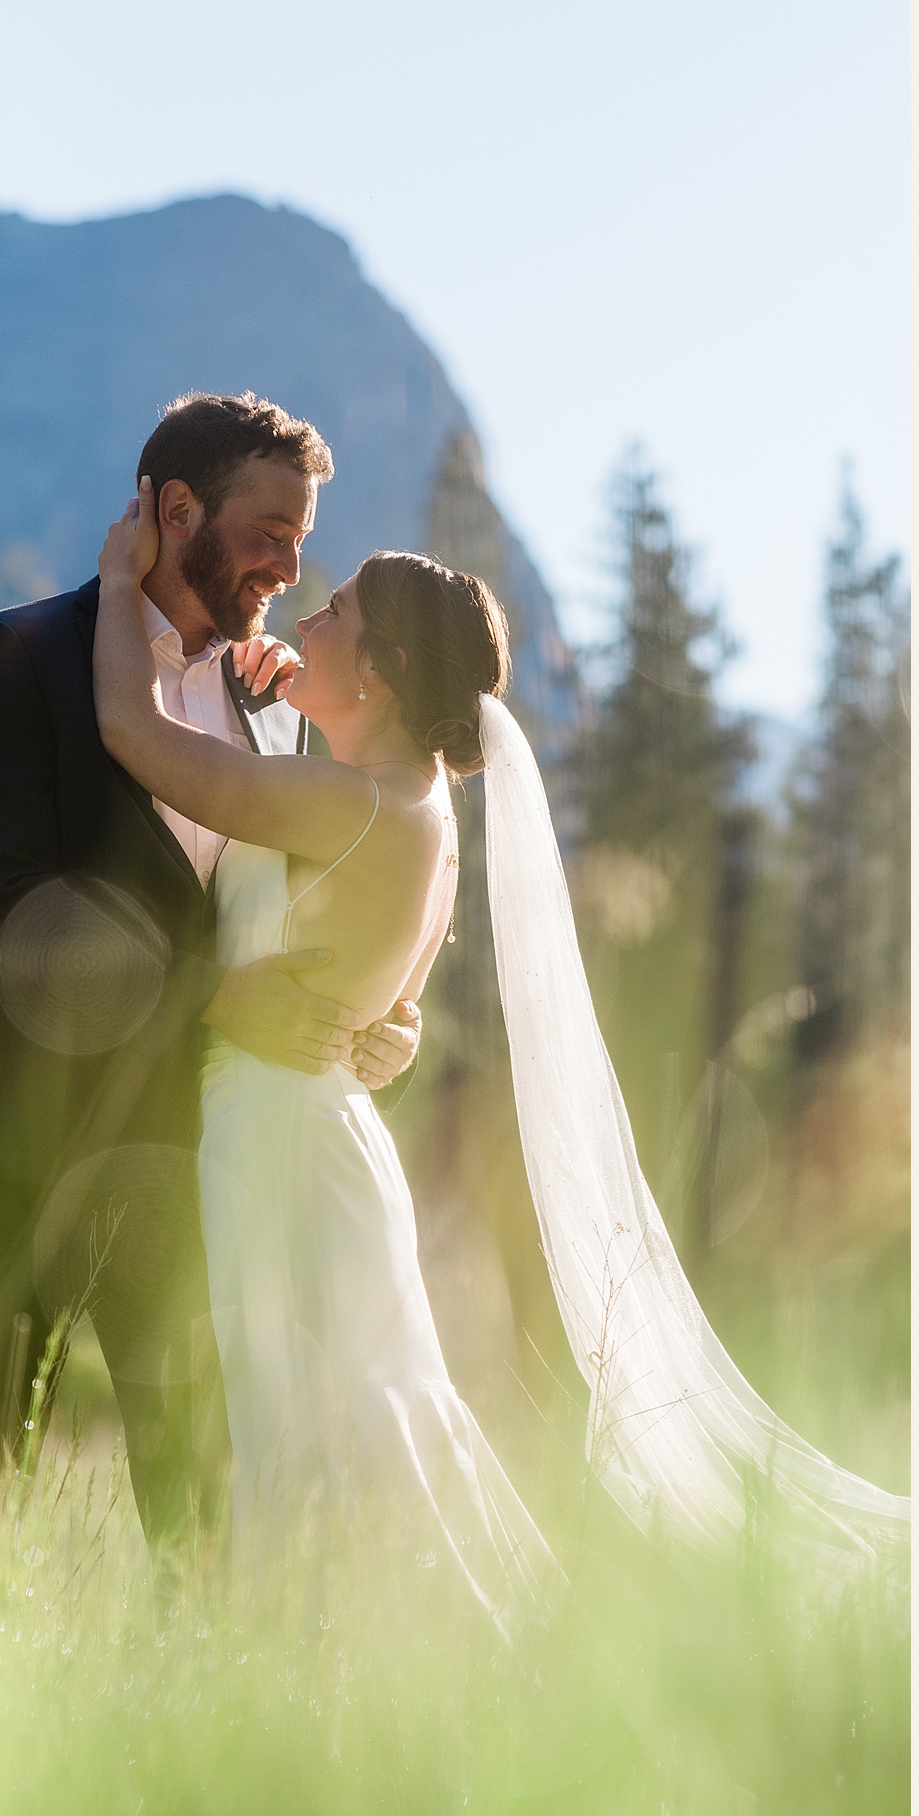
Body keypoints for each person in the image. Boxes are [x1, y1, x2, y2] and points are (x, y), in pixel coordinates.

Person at [91, 475, 908, 1617]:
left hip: (276, 1144)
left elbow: (131, 732)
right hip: (317, 1141)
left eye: (333, 621)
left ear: (376, 672)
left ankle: (314, 1690)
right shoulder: (406, 804)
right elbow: (389, 1024)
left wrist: (122, 584)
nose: (303, 622)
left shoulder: (348, 808)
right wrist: (280, 704)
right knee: (339, 1419)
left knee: (298, 1428)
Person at [0, 391, 421, 1553]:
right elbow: (8, 914)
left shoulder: (281, 710)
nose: (290, 565)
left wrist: (379, 1015)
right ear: (175, 507)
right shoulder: (14, 655)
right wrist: (211, 997)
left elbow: (321, 904)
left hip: (205, 1152)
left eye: (302, 538)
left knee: (201, 1491)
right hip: (25, 1129)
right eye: (268, 530)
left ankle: (193, 1705)